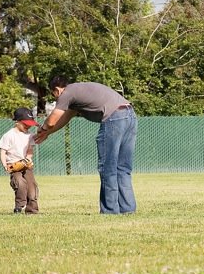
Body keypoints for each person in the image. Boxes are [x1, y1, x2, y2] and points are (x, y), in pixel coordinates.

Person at [35, 76, 137, 214]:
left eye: (54, 95)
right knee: (122, 168)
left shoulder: (67, 93)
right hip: (130, 115)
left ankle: (110, 211)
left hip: (114, 118)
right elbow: (65, 118)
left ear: (57, 90)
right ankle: (127, 209)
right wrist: (48, 133)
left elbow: (52, 120)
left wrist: (42, 128)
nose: (56, 99)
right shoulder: (77, 93)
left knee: (108, 167)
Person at [0, 107, 39, 214]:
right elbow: (2, 152)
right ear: (17, 122)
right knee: (20, 183)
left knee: (32, 187)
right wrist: (5, 165)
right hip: (14, 166)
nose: (28, 126)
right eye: (25, 124)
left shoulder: (29, 135)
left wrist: (29, 158)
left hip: (26, 165)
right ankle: (19, 206)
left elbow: (30, 150)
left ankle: (32, 210)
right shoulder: (9, 135)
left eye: (30, 124)